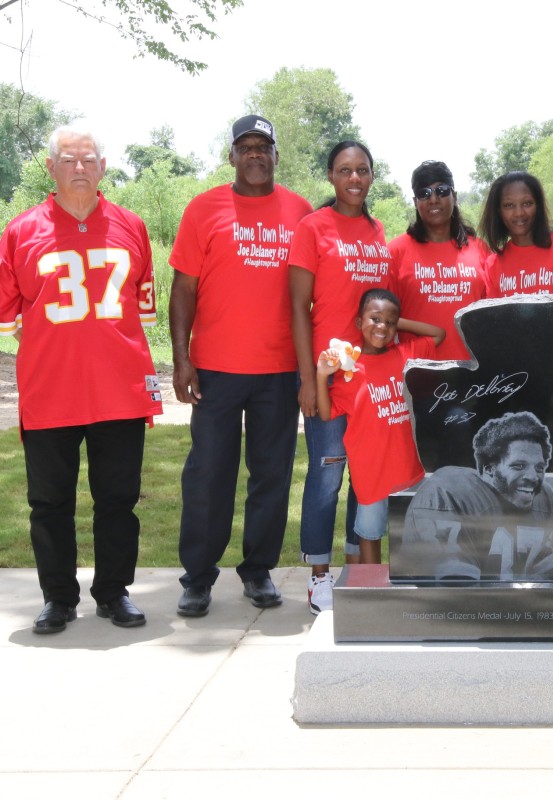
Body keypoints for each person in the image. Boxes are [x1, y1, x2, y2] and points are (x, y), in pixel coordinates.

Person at [0, 124, 162, 633]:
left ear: (104, 166)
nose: (80, 169)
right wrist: (54, 348)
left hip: (120, 390)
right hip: (51, 392)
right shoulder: (21, 231)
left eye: (88, 159)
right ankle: (58, 597)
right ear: (51, 168)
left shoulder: (132, 226)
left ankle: (113, 591)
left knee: (118, 500)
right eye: (68, 160)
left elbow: (141, 312)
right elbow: (6, 317)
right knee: (49, 502)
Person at [170, 115, 313, 617]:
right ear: (231, 156)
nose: (255, 154)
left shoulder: (299, 211)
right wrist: (181, 359)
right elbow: (183, 289)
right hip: (215, 369)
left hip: (279, 369)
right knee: (208, 474)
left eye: (264, 146)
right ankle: (198, 578)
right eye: (245, 146)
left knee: (271, 474)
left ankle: (258, 569)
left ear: (276, 155)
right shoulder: (203, 209)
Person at [290, 140, 392, 614]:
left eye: (363, 170)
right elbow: (297, 307)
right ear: (330, 176)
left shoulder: (378, 232)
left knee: (365, 477)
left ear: (372, 176)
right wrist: (311, 378)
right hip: (330, 379)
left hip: (369, 382)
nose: (354, 179)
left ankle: (355, 568)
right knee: (328, 476)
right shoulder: (313, 228)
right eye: (345, 170)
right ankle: (318, 575)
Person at [315, 288, 445, 564]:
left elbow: (438, 334)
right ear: (358, 322)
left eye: (390, 321)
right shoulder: (350, 372)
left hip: (408, 470)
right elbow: (326, 414)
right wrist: (320, 375)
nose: (382, 327)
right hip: (371, 475)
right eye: (374, 319)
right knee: (369, 534)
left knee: (414, 534)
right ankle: (372, 591)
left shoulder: (404, 355)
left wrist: (397, 322)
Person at [399, 411, 553, 582]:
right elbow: (456, 589)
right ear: (489, 469)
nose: (533, 477)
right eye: (519, 466)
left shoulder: (544, 500)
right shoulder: (450, 492)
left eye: (539, 468)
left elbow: (540, 567)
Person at [388, 161, 489, 360]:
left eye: (442, 191)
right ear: (415, 201)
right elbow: (385, 317)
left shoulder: (480, 249)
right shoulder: (396, 251)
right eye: (424, 193)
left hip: (474, 375)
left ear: (455, 196)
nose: (434, 199)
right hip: (417, 374)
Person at [480, 172, 553, 298]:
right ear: (499, 211)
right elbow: (494, 316)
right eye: (509, 205)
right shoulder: (493, 265)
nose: (519, 213)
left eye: (527, 203)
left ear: (538, 205)